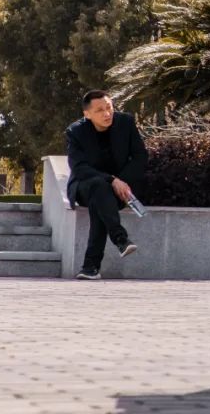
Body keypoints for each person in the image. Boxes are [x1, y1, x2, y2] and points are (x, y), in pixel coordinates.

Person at [65, 90, 149, 280]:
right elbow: (79, 168)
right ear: (87, 114)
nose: (107, 113)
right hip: (84, 186)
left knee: (101, 200)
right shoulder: (75, 132)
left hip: (118, 190)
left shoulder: (125, 123)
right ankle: (119, 237)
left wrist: (123, 182)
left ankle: (90, 267)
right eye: (100, 110)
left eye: (109, 107)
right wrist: (113, 180)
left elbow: (140, 156)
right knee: (98, 187)